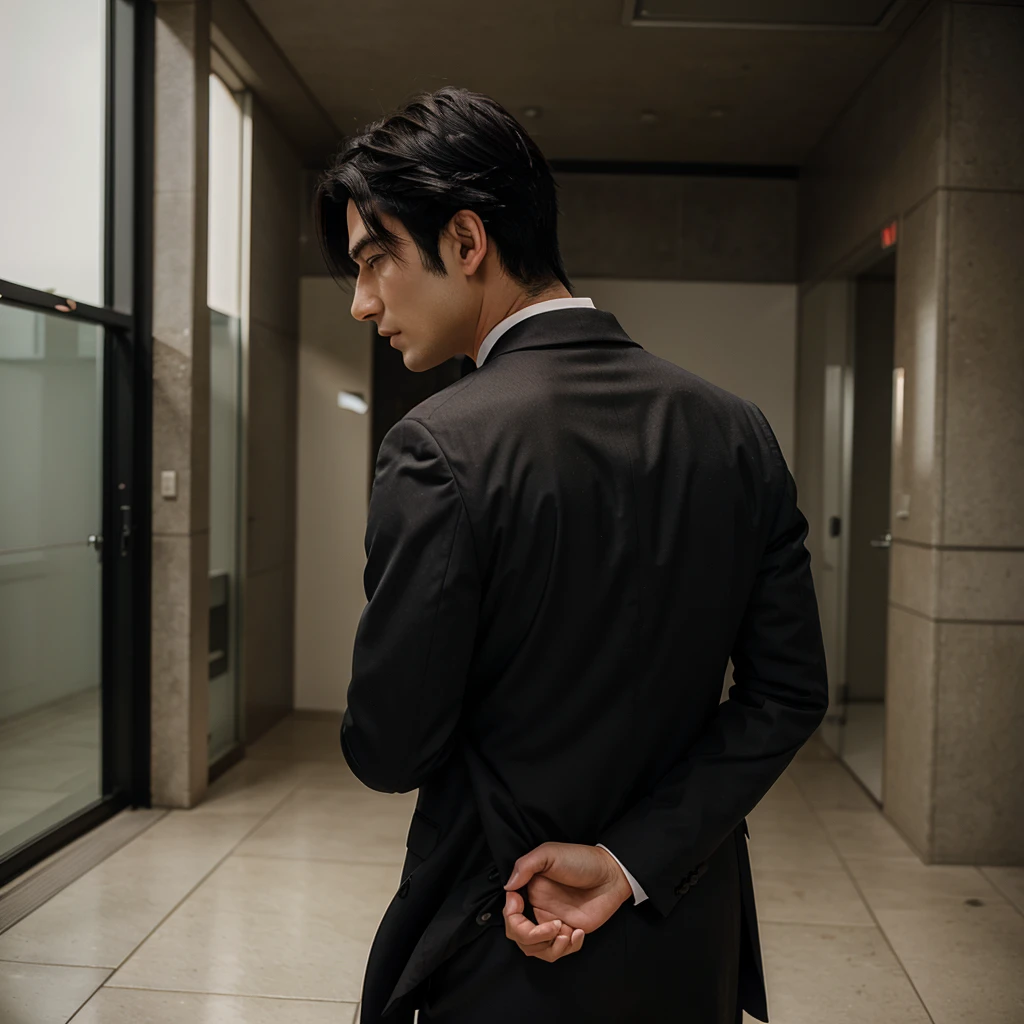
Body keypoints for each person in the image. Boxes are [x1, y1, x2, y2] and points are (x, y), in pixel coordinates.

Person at [315, 86, 828, 1024]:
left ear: (467, 242)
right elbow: (786, 693)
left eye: (376, 258)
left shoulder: (438, 446)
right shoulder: (735, 431)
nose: (361, 301)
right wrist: (632, 859)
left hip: (500, 930)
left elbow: (390, 747)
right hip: (680, 933)